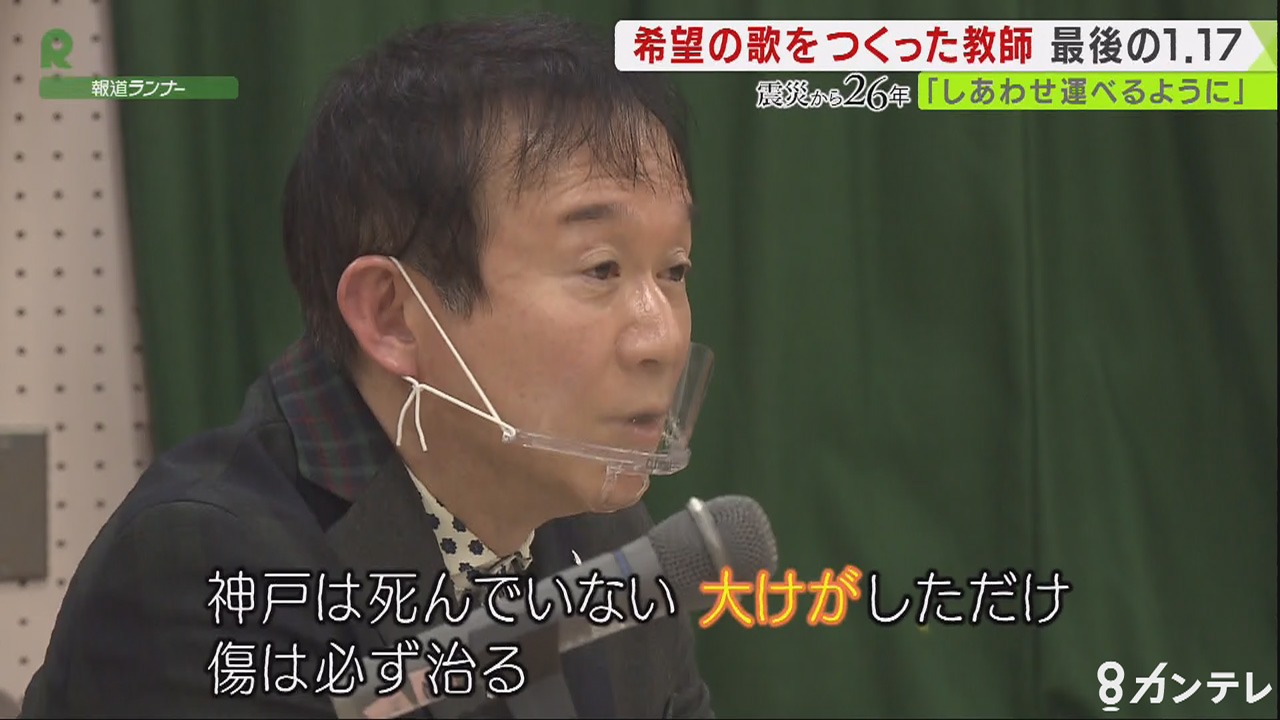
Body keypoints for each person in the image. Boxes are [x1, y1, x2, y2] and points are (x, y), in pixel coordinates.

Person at [20, 13, 715, 718]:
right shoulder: (208, 564)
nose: (661, 339)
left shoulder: (603, 533)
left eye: (675, 269)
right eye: (601, 268)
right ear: (391, 314)